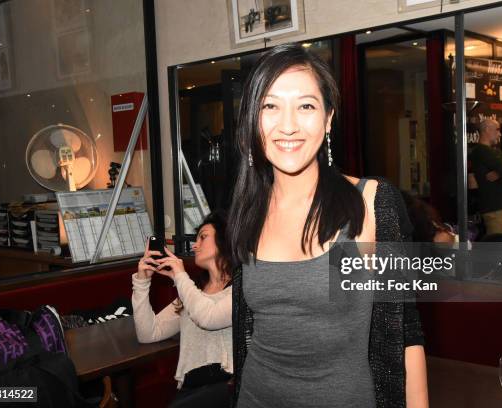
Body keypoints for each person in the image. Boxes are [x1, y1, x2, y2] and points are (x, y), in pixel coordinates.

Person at [227, 43, 427, 408]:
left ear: (328, 118)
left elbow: (406, 330)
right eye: (270, 106)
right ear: (253, 118)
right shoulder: (248, 211)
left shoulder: (371, 203)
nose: (288, 126)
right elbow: (248, 332)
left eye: (306, 106)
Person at [132, 212, 233, 408]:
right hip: (191, 387)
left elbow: (207, 317)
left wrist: (180, 275)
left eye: (203, 237)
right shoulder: (192, 292)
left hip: (226, 386)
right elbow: (148, 333)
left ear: (225, 240)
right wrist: (142, 281)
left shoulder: (241, 288)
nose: (195, 245)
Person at [469, 119, 502, 237]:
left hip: (498, 206)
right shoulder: (483, 150)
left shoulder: (493, 151)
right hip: (495, 207)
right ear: (487, 130)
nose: (500, 134)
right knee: (498, 245)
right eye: (497, 130)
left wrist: (499, 173)